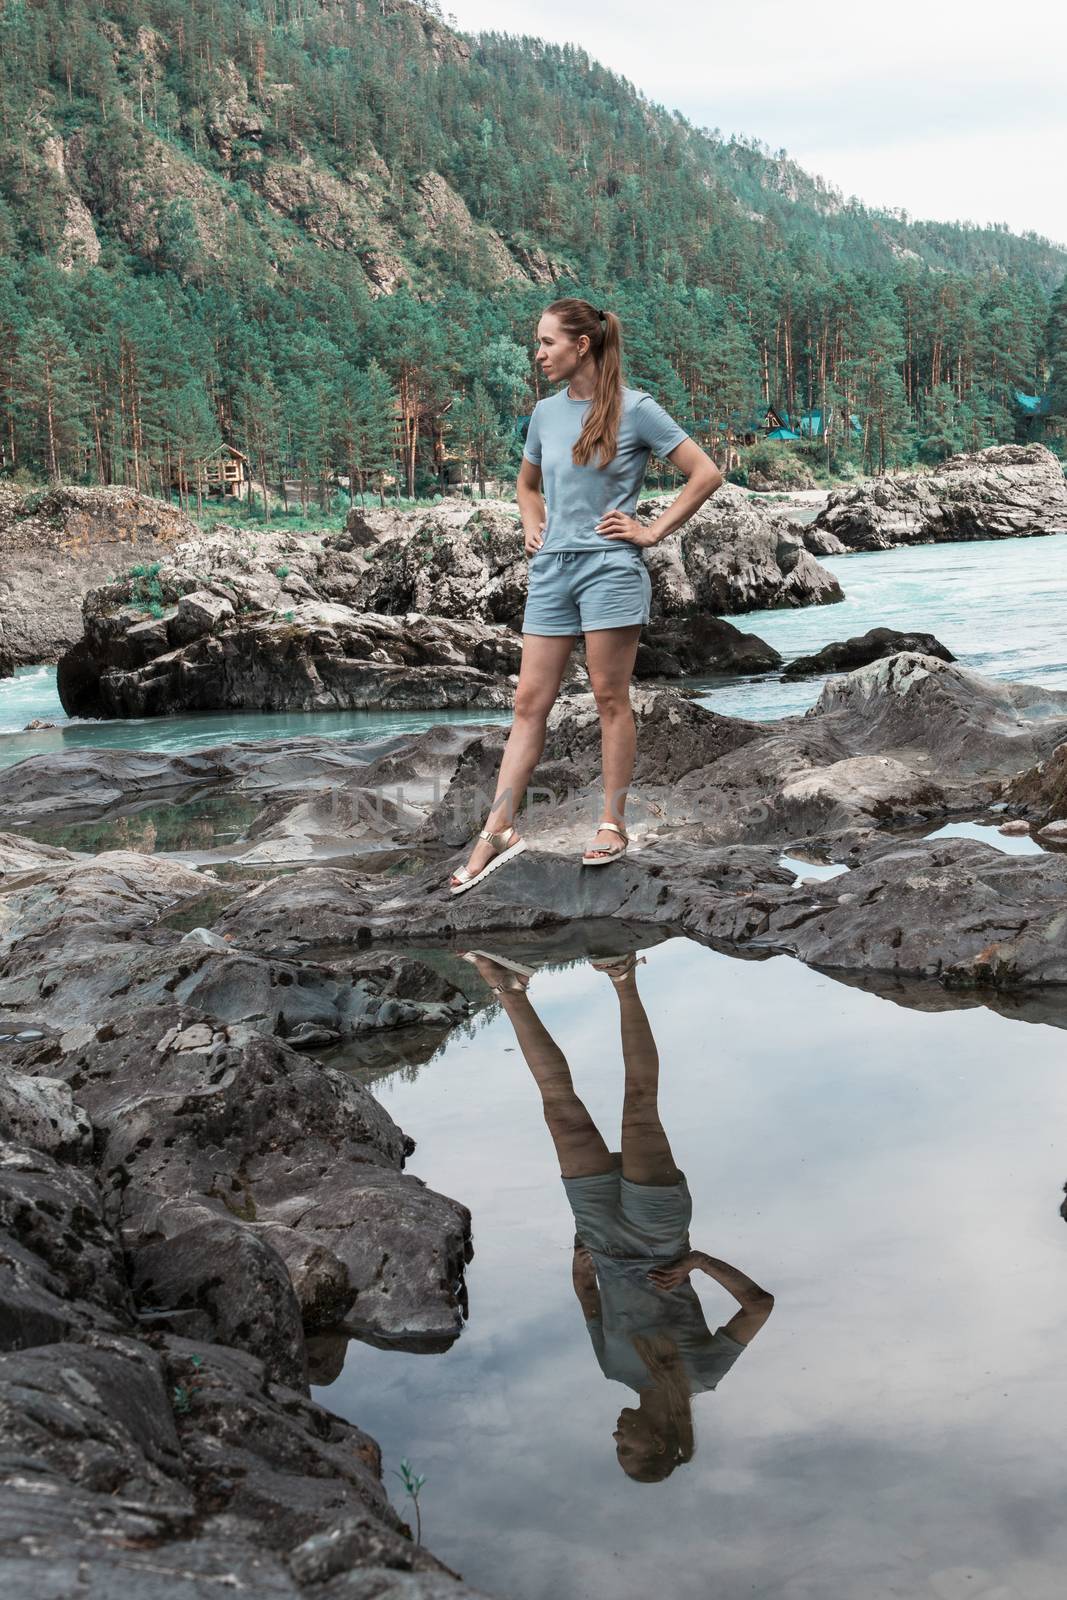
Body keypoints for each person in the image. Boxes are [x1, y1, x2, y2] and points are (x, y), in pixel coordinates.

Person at [460, 947, 774, 1481]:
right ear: (659, 1441)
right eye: (627, 1448)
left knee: (559, 1107)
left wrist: (581, 1262)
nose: (616, 1437)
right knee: (639, 1103)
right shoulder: (702, 1374)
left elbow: (590, 1301)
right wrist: (696, 1261)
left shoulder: (613, 1369)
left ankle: (508, 989)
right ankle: (623, 976)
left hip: (600, 1233)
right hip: (659, 1235)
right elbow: (759, 1307)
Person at [448, 298, 723, 896]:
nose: (539, 353)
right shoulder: (544, 414)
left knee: (608, 697)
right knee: (528, 703)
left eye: (548, 343)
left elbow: (705, 472)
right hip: (551, 571)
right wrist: (531, 520)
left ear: (583, 345)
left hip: (610, 571)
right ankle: (498, 831)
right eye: (538, 342)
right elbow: (526, 485)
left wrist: (650, 532)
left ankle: (612, 823)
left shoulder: (637, 410)